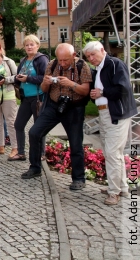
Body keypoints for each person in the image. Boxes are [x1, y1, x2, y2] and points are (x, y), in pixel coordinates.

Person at [21, 43, 93, 191]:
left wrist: (71, 84)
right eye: (59, 60)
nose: (62, 63)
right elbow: (43, 89)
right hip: (53, 105)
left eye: (65, 60)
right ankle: (35, 167)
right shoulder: (52, 64)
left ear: (73, 56)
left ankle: (79, 178)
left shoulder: (82, 66)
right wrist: (46, 83)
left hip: (74, 107)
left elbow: (85, 91)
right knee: (34, 132)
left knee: (75, 143)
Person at [84, 41, 138, 204]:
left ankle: (113, 192)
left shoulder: (115, 64)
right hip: (104, 112)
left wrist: (102, 92)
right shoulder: (98, 69)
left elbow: (124, 89)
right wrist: (95, 95)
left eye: (93, 55)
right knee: (113, 153)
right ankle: (121, 188)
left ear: (102, 50)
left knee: (112, 152)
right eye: (88, 56)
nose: (91, 58)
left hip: (117, 113)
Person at [10, 35, 49, 161]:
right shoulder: (23, 60)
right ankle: (21, 153)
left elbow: (45, 78)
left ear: (37, 46)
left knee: (39, 126)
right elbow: (19, 76)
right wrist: (16, 79)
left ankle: (41, 153)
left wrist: (28, 79)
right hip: (25, 98)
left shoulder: (42, 60)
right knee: (19, 125)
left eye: (32, 44)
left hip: (38, 98)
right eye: (27, 45)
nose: (29, 47)